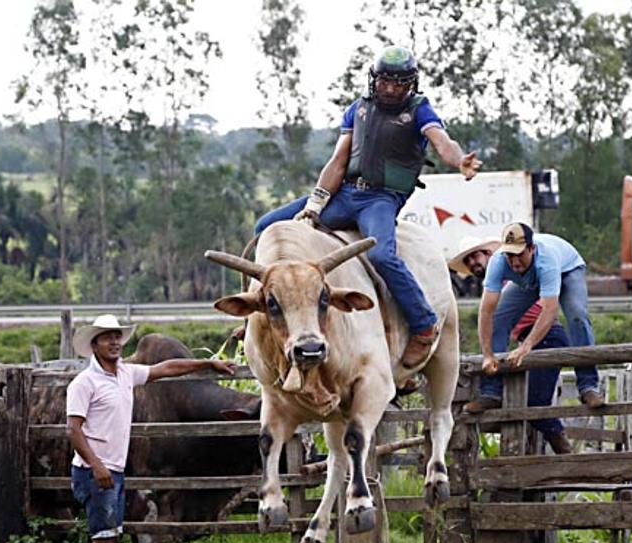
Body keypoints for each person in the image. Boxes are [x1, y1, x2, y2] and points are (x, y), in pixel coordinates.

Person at [252, 45, 483, 369]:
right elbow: (338, 161)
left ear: (411, 84)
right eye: (385, 81)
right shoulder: (358, 109)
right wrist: (316, 204)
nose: (390, 88)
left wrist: (460, 160)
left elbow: (442, 141)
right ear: (374, 80)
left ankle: (423, 324)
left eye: (399, 83)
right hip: (345, 193)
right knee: (265, 227)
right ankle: (259, 315)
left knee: (381, 254)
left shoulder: (420, 110)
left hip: (381, 198)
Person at [66, 314, 236, 543]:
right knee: (103, 539)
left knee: (110, 537)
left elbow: (166, 368)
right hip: (96, 471)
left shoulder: (125, 374)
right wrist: (96, 466)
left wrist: (208, 364)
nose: (114, 342)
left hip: (114, 470)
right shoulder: (84, 383)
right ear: (94, 345)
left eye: (117, 336)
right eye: (107, 337)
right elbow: (73, 429)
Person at [463, 222, 605, 413]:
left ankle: (588, 387)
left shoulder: (546, 260)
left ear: (531, 248)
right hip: (531, 280)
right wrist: (488, 355)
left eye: (519, 254)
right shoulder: (498, 262)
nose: (514, 262)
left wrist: (525, 346)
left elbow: (549, 310)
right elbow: (486, 311)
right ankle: (491, 392)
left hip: (566, 270)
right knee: (498, 318)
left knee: (577, 315)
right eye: (510, 255)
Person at [448, 237, 573, 454]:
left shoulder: (508, 278)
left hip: (544, 336)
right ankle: (555, 449)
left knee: (534, 403)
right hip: (531, 338)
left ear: (489, 254)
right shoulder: (497, 282)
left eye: (475, 256)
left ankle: (565, 452)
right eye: (467, 261)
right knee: (528, 401)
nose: (472, 264)